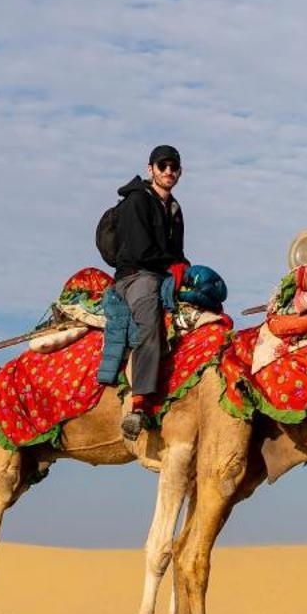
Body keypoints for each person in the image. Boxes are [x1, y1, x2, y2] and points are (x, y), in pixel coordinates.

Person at [106, 145, 189, 441]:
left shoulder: (175, 209)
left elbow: (177, 252)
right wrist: (173, 265)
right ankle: (140, 403)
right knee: (150, 322)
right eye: (162, 165)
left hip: (163, 272)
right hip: (136, 276)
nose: (169, 171)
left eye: (173, 166)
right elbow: (141, 251)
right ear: (151, 168)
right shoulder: (137, 202)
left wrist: (184, 268)